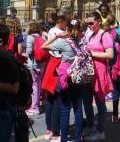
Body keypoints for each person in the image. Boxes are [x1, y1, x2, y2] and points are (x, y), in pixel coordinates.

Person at [42, 20, 84, 142]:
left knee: (65, 109)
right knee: (78, 108)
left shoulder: (64, 42)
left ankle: (64, 138)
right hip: (79, 77)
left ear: (67, 30)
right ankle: (77, 138)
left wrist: (57, 36)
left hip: (66, 77)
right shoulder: (82, 42)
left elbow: (43, 47)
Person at [83, 11, 114, 142]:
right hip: (89, 72)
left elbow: (110, 55)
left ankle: (101, 131)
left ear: (98, 21)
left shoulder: (105, 35)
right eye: (88, 23)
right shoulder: (92, 35)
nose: (89, 25)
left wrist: (92, 53)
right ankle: (91, 126)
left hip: (99, 72)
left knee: (100, 102)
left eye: (91, 23)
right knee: (87, 101)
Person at [41, 12, 68, 141]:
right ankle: (55, 132)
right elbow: (57, 51)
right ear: (61, 20)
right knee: (56, 100)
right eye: (65, 21)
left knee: (50, 100)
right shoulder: (57, 32)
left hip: (52, 63)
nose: (66, 24)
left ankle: (49, 129)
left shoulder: (52, 31)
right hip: (58, 63)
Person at [26, 21, 45, 115]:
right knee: (38, 84)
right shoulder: (42, 37)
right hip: (41, 63)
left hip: (33, 64)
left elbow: (29, 51)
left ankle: (34, 107)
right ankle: (38, 104)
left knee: (34, 85)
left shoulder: (30, 37)